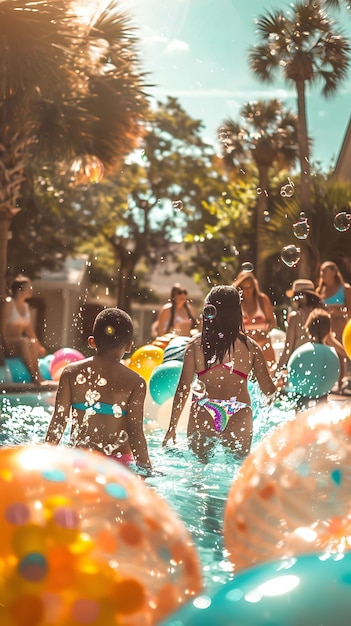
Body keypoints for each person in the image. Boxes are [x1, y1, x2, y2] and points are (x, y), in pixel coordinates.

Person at [162, 285, 277, 462]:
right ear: (237, 312)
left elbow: (183, 388)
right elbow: (268, 390)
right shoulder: (251, 347)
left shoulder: (195, 345)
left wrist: (172, 427)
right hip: (239, 412)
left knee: (198, 473)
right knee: (237, 471)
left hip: (204, 409)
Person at [45, 307, 152, 471]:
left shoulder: (70, 373)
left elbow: (58, 421)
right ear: (129, 346)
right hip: (119, 464)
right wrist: (147, 470)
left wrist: (45, 458)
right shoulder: (135, 382)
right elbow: (136, 432)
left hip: (80, 459)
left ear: (92, 341)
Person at [1, 275, 47, 383]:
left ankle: (38, 376)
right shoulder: (9, 304)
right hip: (7, 345)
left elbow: (29, 330)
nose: (31, 289)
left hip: (20, 344)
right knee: (24, 342)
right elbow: (1, 327)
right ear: (19, 289)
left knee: (29, 342)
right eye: (29, 287)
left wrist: (39, 347)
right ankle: (34, 377)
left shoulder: (25, 306)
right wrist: (5, 346)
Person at [277, 279, 324, 372]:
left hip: (300, 361)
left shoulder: (295, 317)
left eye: (296, 296)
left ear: (304, 296)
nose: (294, 300)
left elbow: (288, 347)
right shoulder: (321, 314)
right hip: (319, 362)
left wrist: (278, 370)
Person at [233, 270, 277, 369]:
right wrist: (246, 335)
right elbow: (233, 327)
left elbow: (272, 323)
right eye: (244, 288)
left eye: (250, 287)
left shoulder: (262, 300)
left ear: (254, 286)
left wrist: (262, 332)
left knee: (269, 372)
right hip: (244, 346)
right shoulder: (236, 304)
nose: (247, 291)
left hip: (264, 344)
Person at [305, 308, 348, 393]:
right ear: (328, 330)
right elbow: (344, 352)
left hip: (307, 390)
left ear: (308, 329)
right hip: (326, 390)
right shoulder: (331, 354)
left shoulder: (305, 351)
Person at [316, 261, 351, 343]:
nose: (322, 273)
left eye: (325, 271)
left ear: (334, 272)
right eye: (321, 271)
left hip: (341, 327)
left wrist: (337, 312)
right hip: (325, 330)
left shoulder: (345, 289)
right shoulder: (319, 291)